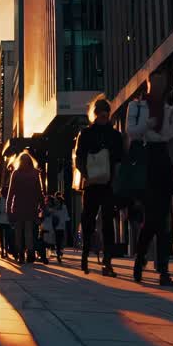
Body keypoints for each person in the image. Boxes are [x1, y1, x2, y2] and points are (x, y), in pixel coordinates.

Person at [130, 64, 173, 287]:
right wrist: (147, 124)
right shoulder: (137, 106)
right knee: (152, 220)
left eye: (163, 81)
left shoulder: (169, 108)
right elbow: (132, 132)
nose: (160, 85)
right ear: (149, 83)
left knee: (164, 221)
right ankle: (141, 259)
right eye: (156, 81)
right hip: (146, 160)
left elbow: (171, 140)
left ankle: (163, 270)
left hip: (163, 162)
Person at [75, 97, 124, 276]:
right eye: (102, 115)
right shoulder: (111, 135)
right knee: (95, 221)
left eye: (105, 115)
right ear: (96, 115)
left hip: (98, 184)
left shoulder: (89, 134)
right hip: (99, 184)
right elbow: (118, 160)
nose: (104, 118)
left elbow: (79, 158)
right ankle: (91, 258)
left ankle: (100, 260)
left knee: (100, 222)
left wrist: (87, 174)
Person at [7, 152, 44, 264]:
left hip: (18, 207)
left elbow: (11, 193)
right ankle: (30, 253)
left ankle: (20, 253)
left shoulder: (16, 173)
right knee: (29, 232)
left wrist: (8, 209)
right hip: (31, 207)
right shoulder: (35, 173)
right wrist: (41, 205)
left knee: (18, 232)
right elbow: (39, 191)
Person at [49, 195, 70, 264]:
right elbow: (66, 217)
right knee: (59, 241)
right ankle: (59, 252)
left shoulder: (54, 208)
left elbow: (51, 217)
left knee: (58, 241)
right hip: (60, 227)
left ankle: (58, 252)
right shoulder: (63, 207)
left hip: (57, 227)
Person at [0, 189, 13, 259]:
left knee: (3, 236)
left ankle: (3, 252)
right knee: (5, 236)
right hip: (5, 219)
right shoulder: (3, 196)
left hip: (2, 219)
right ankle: (5, 252)